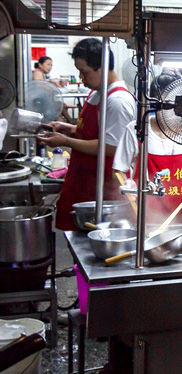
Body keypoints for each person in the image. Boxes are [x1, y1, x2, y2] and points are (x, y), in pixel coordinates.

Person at [39, 38, 136, 230]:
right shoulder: (97, 92)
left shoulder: (118, 100)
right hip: (84, 178)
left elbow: (111, 147)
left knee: (94, 241)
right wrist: (69, 128)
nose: (81, 77)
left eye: (84, 72)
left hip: (103, 187)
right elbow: (97, 131)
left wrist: (66, 141)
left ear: (102, 68)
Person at [112, 69, 182, 227]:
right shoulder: (138, 130)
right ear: (156, 103)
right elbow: (118, 170)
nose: (176, 113)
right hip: (146, 220)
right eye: (169, 106)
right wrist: (128, 186)